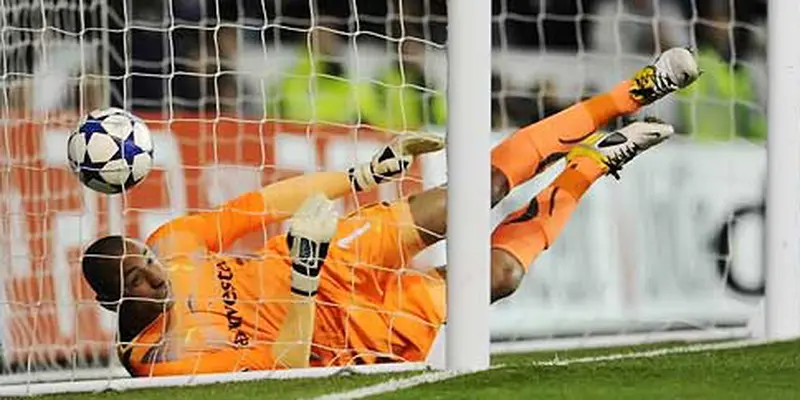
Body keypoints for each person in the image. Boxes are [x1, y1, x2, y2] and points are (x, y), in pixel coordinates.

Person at [81, 47, 699, 375]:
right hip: (339, 332)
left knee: (473, 191)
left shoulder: (173, 243)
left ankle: (632, 91)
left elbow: (264, 206)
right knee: (500, 278)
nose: (155, 270)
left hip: (338, 256)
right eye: (138, 277)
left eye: (145, 258)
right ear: (116, 303)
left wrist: (363, 174)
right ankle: (592, 165)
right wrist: (302, 279)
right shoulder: (162, 365)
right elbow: (286, 367)